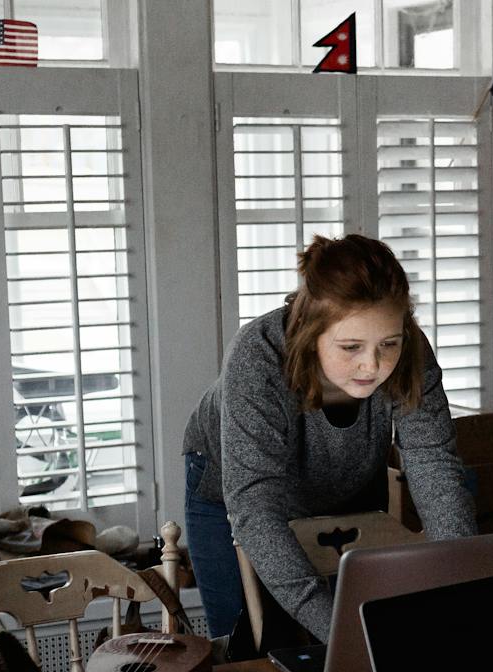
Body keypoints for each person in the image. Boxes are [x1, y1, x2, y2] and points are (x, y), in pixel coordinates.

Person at [181, 234, 476, 642]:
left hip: (348, 479)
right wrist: (338, 632)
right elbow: (255, 508)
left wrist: (463, 585)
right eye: (351, 346)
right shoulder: (257, 356)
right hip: (236, 493)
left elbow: (434, 465)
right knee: (245, 648)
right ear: (308, 331)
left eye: (388, 344)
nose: (372, 365)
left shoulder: (410, 352)